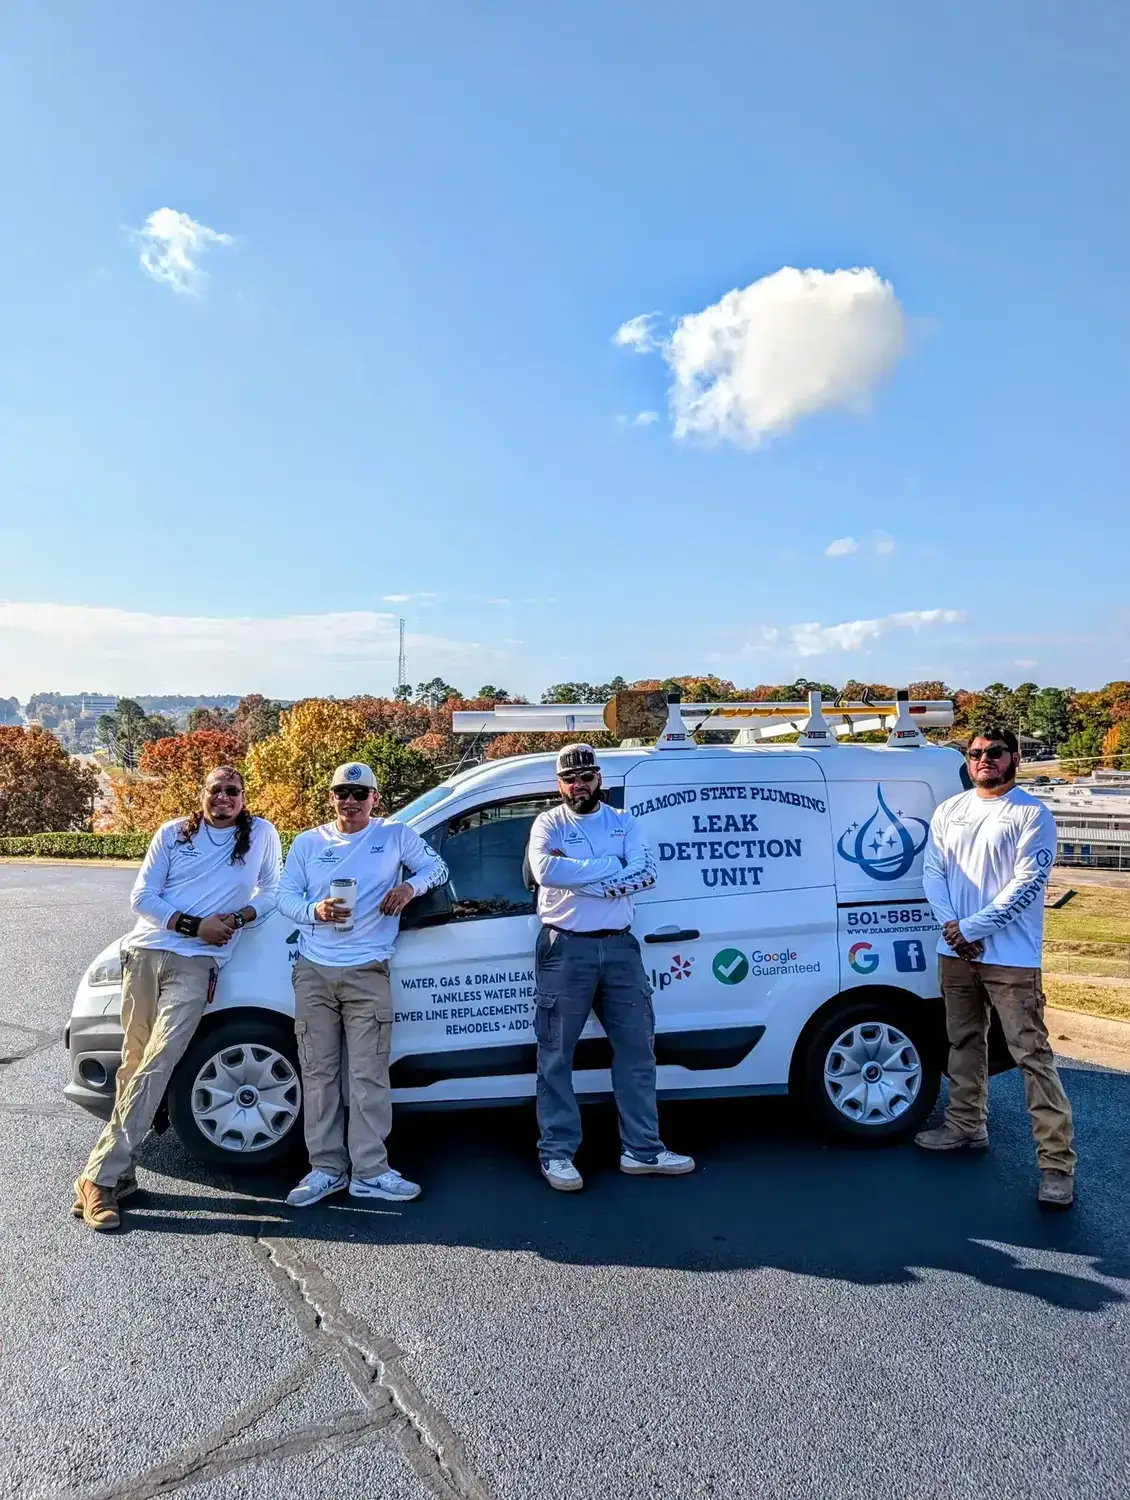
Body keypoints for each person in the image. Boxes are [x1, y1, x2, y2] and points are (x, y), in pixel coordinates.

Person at [73, 767, 282, 1231]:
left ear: (244, 797)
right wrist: (193, 923)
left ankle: (98, 1178)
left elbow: (273, 891)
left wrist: (241, 914)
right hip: (147, 953)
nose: (223, 798)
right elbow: (142, 896)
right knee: (132, 1064)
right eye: (216, 790)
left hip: (197, 964)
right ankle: (121, 1176)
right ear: (201, 794)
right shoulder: (172, 834)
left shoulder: (261, 835)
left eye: (233, 791)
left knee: (159, 1060)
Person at [917, 727, 1076, 1207]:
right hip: (956, 953)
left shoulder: (1032, 814)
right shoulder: (951, 810)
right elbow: (933, 871)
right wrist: (951, 926)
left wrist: (973, 929)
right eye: (976, 753)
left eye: (995, 752)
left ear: (1015, 757)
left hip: (1011, 960)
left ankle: (1056, 1167)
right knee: (963, 1042)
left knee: (1033, 1057)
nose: (984, 759)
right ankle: (965, 1126)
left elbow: (1028, 885)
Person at [277, 762, 448, 1207]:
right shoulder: (308, 842)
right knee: (318, 1075)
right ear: (330, 796)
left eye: (359, 793)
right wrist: (315, 911)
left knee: (369, 1075)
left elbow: (438, 869)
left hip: (368, 970)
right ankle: (326, 1169)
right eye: (341, 792)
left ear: (375, 798)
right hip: (314, 970)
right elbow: (284, 896)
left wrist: (409, 888)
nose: (349, 801)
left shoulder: (394, 835)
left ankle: (370, 1171)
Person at [525, 743, 694, 1191]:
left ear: (599, 778)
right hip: (566, 949)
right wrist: (608, 869)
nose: (579, 785)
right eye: (570, 779)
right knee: (556, 1055)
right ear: (559, 784)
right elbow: (545, 871)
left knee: (638, 1051)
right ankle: (558, 1153)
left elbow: (647, 873)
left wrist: (583, 879)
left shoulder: (624, 822)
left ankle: (643, 1149)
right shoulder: (549, 822)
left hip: (621, 949)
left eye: (587, 776)